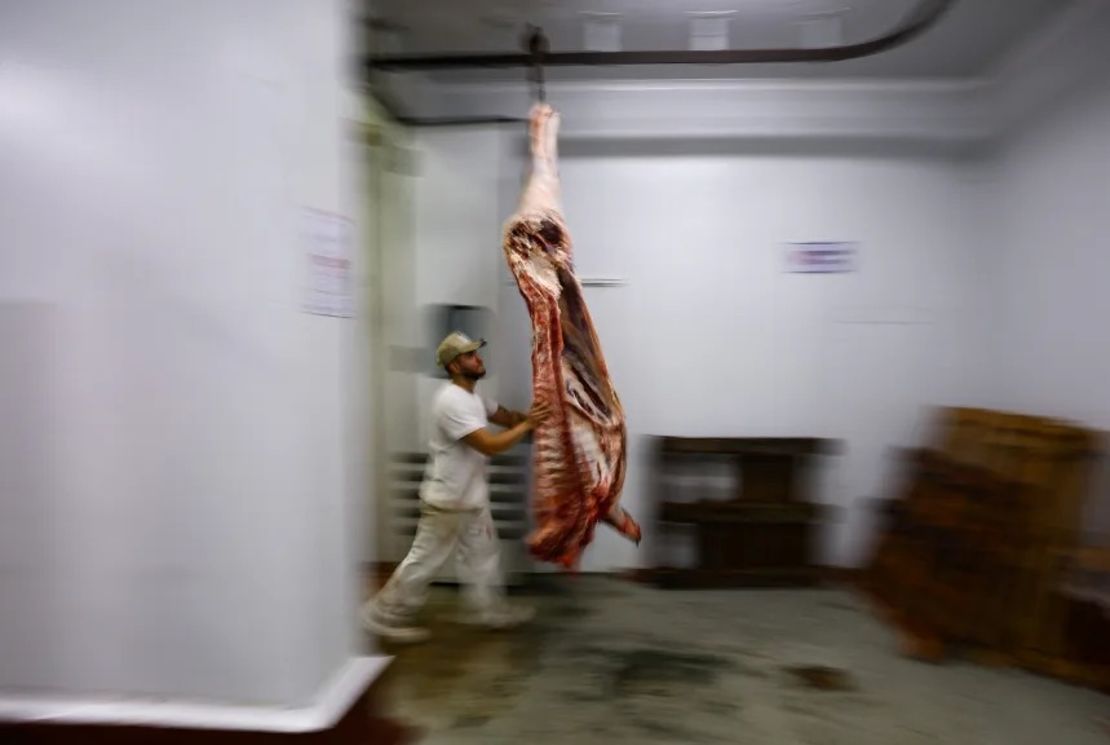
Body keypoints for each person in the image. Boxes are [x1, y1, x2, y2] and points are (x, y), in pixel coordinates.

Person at [361, 331, 552, 643]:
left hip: (472, 499)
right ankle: (381, 614)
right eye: (470, 355)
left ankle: (489, 611)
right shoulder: (450, 401)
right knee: (424, 563)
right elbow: (488, 445)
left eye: (477, 353)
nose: (478, 359)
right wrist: (529, 426)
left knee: (484, 558)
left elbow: (508, 417)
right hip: (447, 501)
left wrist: (536, 418)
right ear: (453, 366)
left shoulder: (475, 399)